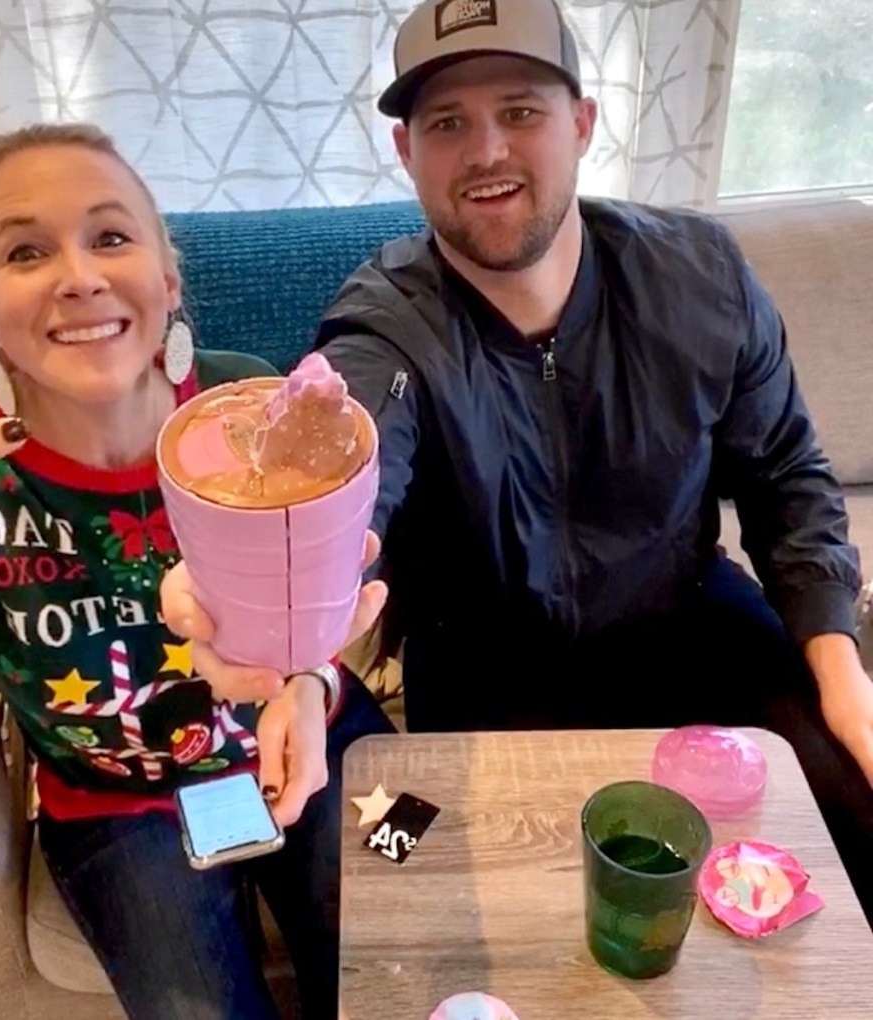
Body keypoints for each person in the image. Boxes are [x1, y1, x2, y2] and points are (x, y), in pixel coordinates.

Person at [162, 0, 873, 920]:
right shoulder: (382, 324)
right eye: (448, 123)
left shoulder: (703, 276)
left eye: (521, 112)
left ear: (581, 122)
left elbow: (786, 478)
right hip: (485, 669)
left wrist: (843, 675)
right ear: (405, 153)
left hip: (691, 620)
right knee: (418, 887)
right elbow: (340, 484)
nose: (486, 149)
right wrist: (290, 650)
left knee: (854, 812)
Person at [0, 122, 391, 1020]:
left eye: (110, 236)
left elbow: (328, 582)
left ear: (168, 280)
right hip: (118, 805)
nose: (79, 274)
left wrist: (305, 671)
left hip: (310, 733)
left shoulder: (249, 401)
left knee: (407, 967)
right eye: (26, 250)